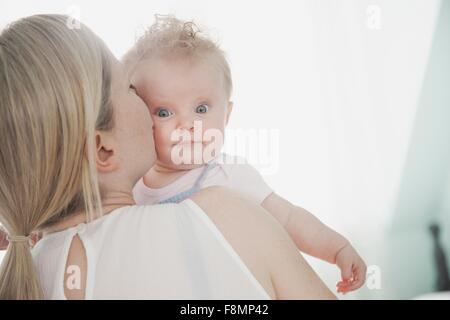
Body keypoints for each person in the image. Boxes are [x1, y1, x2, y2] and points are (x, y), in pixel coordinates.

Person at [0, 14, 335, 300]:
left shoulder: (27, 266)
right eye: (131, 90)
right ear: (104, 149)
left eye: (201, 108)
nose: (184, 124)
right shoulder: (225, 217)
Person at [125, 15, 366, 293]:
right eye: (164, 112)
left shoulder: (228, 175)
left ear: (226, 115)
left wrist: (337, 248)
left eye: (201, 109)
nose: (188, 125)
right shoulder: (133, 189)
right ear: (138, 118)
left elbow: (288, 219)